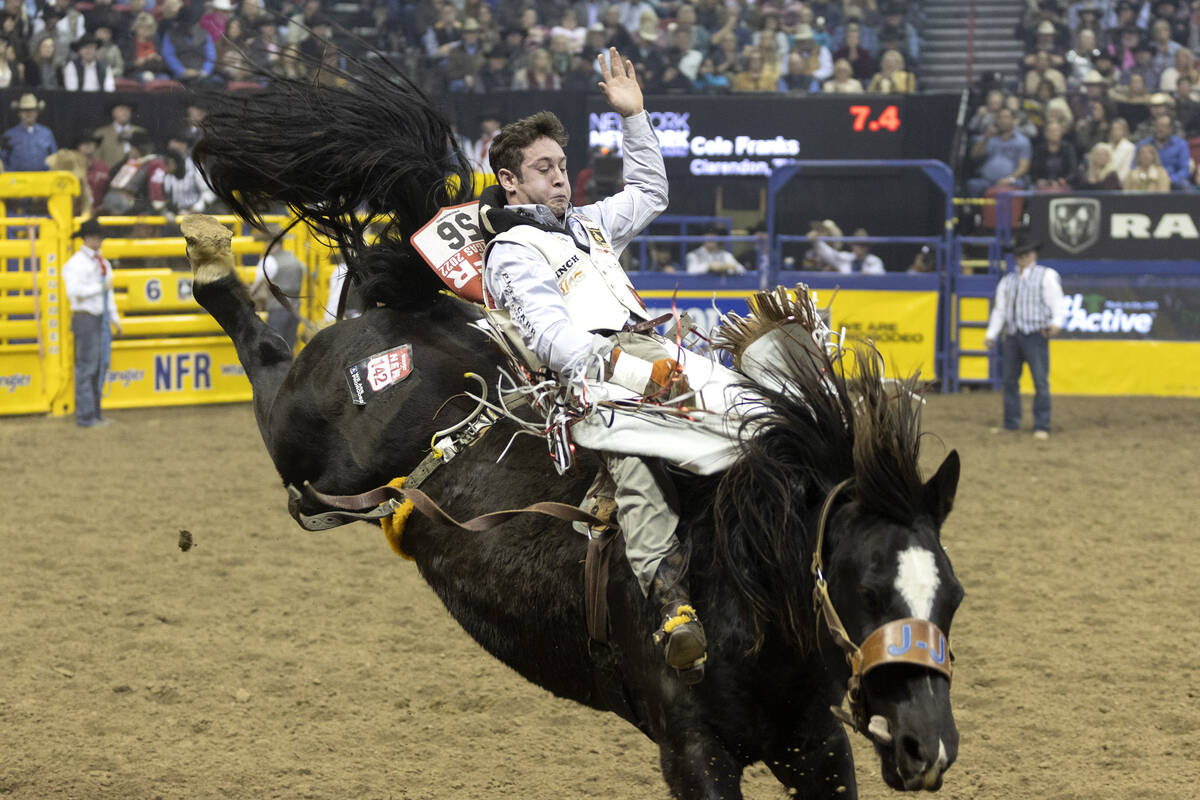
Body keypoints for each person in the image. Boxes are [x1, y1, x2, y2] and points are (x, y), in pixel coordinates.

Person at [480, 48, 717, 683]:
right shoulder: (511, 249)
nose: (560, 177)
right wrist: (619, 366)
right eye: (543, 168)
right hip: (591, 379)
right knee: (638, 456)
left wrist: (635, 119)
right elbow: (551, 333)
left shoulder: (588, 225)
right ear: (510, 181)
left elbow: (649, 191)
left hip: (652, 352)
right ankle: (671, 605)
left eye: (561, 165)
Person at [984, 235, 1065, 440]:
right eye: (1019, 254)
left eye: (1025, 254)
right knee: (1010, 381)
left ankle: (1042, 424)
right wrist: (991, 333)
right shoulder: (1008, 281)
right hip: (1013, 335)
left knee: (1040, 381)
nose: (1021, 258)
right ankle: (1012, 422)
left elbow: (1057, 303)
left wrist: (1057, 323)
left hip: (1036, 334)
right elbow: (1000, 310)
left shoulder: (1046, 276)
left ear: (1033, 255)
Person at [62, 218, 121, 428]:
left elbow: (109, 293)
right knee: (88, 367)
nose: (100, 240)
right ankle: (87, 416)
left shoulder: (101, 262)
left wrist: (114, 318)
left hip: (99, 317)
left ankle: (94, 414)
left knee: (97, 366)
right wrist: (100, 288)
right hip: (86, 317)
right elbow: (74, 293)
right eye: (97, 236)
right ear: (87, 238)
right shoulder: (76, 264)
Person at [249, 229, 305, 351]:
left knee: (275, 346)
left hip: (277, 308)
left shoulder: (268, 261)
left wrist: (251, 297)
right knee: (289, 346)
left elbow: (258, 286)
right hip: (294, 309)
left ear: (270, 243)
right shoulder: (294, 258)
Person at [967, 106, 1032, 196]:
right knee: (973, 184)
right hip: (987, 181)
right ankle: (974, 210)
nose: (1002, 120)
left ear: (1013, 120)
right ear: (996, 120)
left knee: (1020, 184)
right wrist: (986, 138)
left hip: (1011, 180)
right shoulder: (988, 138)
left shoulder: (1022, 141)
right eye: (1000, 117)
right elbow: (974, 155)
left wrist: (1009, 179)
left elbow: (1023, 167)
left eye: (1006, 117)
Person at [1136, 113, 1192, 190]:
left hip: (1172, 180)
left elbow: (1184, 170)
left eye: (1164, 126)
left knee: (1184, 185)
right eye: (1157, 126)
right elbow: (1134, 165)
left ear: (1170, 128)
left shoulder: (1181, 145)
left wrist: (1168, 179)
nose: (1160, 129)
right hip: (1145, 178)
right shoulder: (1143, 144)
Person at [1, 93, 56, 172]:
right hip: (17, 181)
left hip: (42, 179)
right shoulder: (9, 135)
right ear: (19, 113)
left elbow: (54, 157)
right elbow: (2, 159)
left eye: (32, 110)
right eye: (24, 110)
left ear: (37, 112)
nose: (28, 113)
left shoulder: (47, 133)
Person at [808, 226, 886, 274]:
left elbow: (881, 274)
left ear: (868, 247)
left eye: (863, 245)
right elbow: (827, 253)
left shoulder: (874, 261)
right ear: (852, 246)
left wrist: (869, 274)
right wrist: (816, 240)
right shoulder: (845, 258)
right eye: (857, 244)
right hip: (845, 294)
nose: (860, 248)